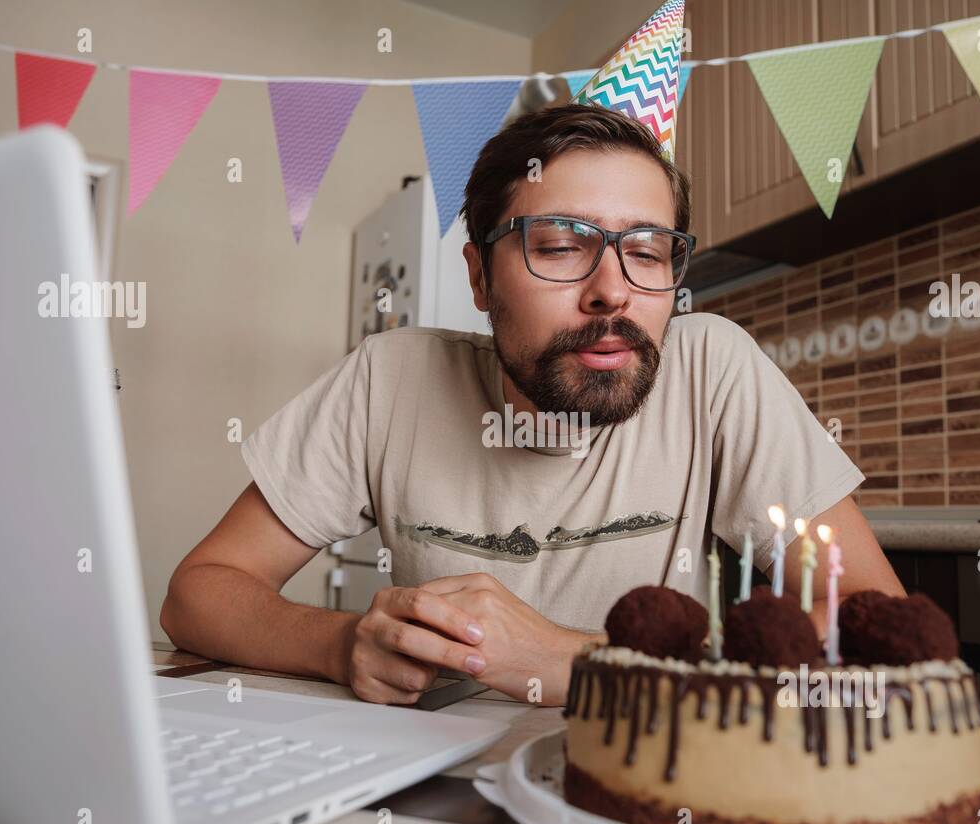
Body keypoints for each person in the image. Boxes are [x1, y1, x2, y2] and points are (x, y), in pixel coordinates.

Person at [160, 104, 904, 707]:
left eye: (646, 252)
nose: (613, 289)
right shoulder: (388, 382)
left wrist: (572, 660)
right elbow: (199, 593)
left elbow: (876, 629)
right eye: (558, 245)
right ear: (480, 279)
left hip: (650, 789)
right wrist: (338, 643)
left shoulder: (714, 369)